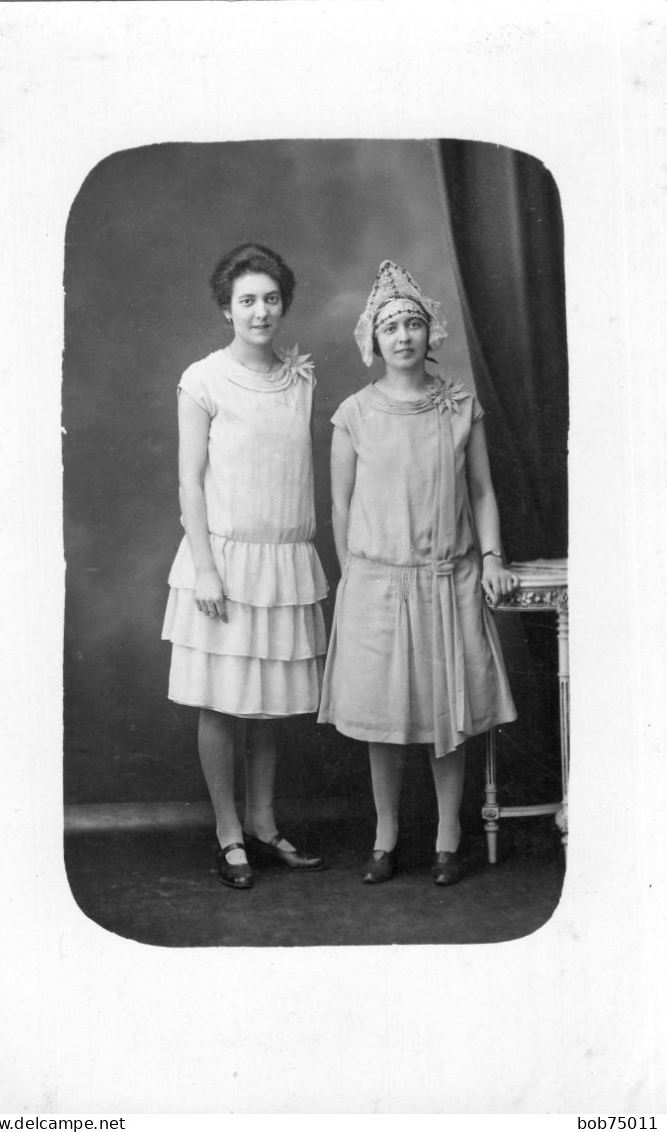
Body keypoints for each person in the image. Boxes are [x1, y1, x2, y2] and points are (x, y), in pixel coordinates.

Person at [318, 260, 519, 885]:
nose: (403, 336)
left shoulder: (459, 406)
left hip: (447, 578)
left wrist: (491, 557)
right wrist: (354, 578)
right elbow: (340, 506)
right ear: (372, 341)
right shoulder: (353, 413)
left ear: (430, 332)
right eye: (390, 327)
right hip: (378, 583)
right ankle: (385, 834)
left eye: (413, 323)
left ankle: (448, 834)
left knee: (447, 714)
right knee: (385, 715)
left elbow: (482, 492)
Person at [162, 243, 328, 889]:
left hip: (282, 560)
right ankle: (227, 833)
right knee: (222, 706)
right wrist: (205, 568)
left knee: (268, 706)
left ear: (282, 304)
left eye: (270, 299)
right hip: (223, 561)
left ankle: (263, 824)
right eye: (246, 301)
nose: (260, 311)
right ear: (226, 309)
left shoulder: (300, 378)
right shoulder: (201, 379)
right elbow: (190, 483)